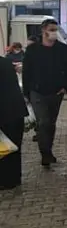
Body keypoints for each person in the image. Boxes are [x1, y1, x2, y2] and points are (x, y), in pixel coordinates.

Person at [22, 19, 67, 167]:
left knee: (50, 123)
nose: (54, 32)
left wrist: (65, 86)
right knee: (43, 122)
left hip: (56, 92)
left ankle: (48, 150)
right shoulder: (33, 50)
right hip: (37, 92)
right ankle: (45, 153)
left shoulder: (62, 49)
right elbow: (26, 71)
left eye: (55, 29)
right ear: (44, 30)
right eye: (51, 29)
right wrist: (27, 92)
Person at [0, 55, 29, 189]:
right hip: (17, 110)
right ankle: (15, 178)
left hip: (4, 112)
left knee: (4, 147)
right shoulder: (6, 62)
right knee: (15, 146)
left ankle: (5, 181)